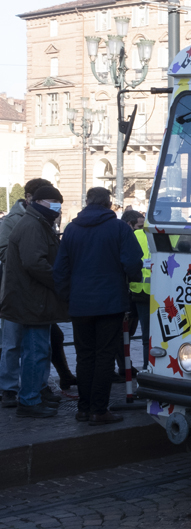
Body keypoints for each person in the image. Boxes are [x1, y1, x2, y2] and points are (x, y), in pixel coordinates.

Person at [54, 187, 142, 424]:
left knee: (84, 356)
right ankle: (99, 410)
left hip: (80, 304)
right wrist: (134, 282)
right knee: (104, 356)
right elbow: (133, 262)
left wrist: (68, 297)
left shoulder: (71, 229)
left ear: (87, 202)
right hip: (110, 302)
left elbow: (60, 269)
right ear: (108, 203)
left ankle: (83, 408)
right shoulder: (119, 228)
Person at [0, 179, 74, 408]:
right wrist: (59, 282)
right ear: (35, 200)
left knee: (41, 348)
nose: (57, 208)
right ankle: (24, 397)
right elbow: (34, 262)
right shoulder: (30, 224)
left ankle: (35, 391)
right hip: (29, 298)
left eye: (59, 203)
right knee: (26, 347)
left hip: (35, 298)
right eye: (53, 203)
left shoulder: (39, 222)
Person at [121, 208, 151, 369]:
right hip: (157, 292)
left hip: (137, 290)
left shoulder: (133, 236)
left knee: (139, 334)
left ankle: (142, 368)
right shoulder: (164, 234)